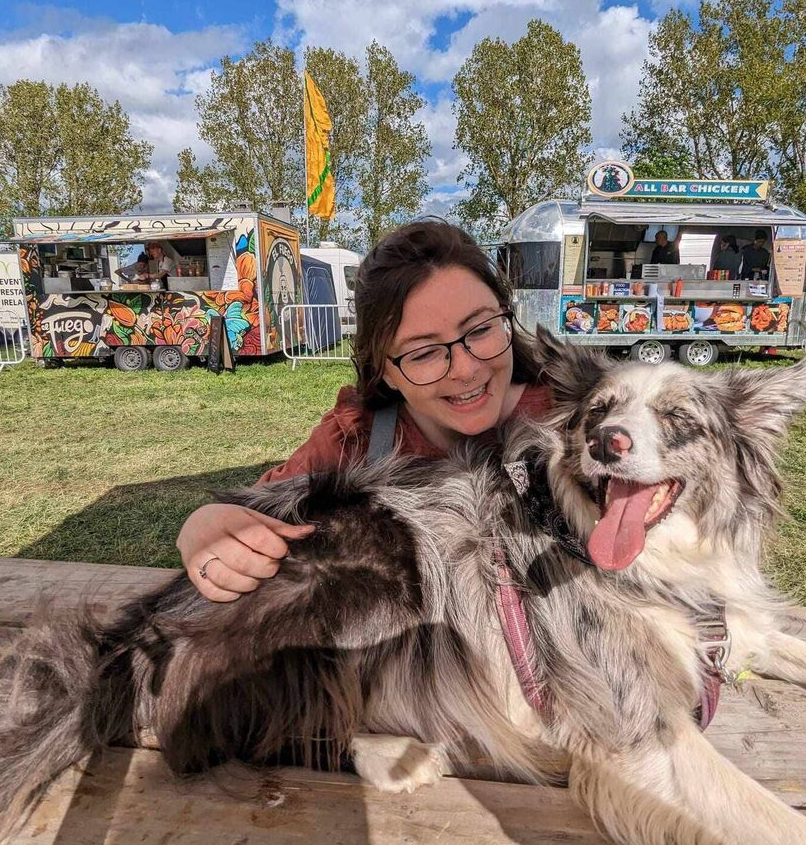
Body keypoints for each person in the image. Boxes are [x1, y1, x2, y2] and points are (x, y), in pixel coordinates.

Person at [176, 220, 551, 602]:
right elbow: (253, 512)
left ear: (505, 315)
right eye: (423, 353)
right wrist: (202, 528)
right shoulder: (357, 437)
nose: (466, 370)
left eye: (480, 329)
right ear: (384, 370)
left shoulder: (575, 419)